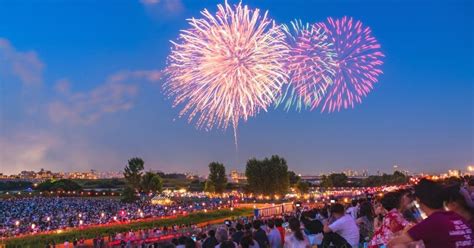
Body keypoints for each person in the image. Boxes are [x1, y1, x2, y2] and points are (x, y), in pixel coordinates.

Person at [388, 179, 474, 248]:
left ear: (418, 200)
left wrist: (405, 232)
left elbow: (392, 243)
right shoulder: (457, 217)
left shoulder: (433, 221)